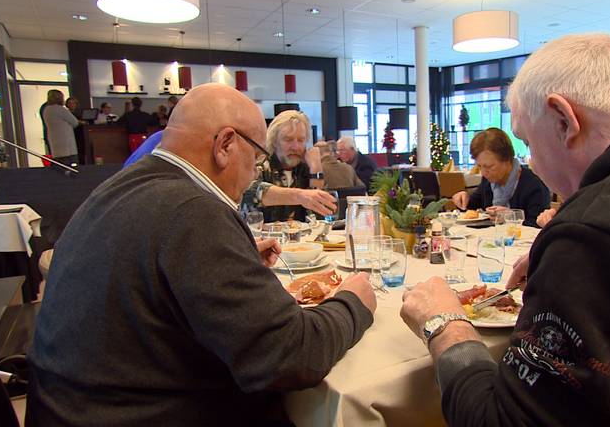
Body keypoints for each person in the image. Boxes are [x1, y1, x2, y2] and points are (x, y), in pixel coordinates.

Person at [400, 33, 610, 426]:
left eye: (528, 141)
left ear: (564, 120)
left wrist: (446, 327)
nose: (533, 162)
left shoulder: (597, 232)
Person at [27, 83, 377, 426]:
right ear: (225, 144)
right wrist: (352, 302)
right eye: (255, 159)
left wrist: (228, 258)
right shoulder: (195, 210)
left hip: (66, 404)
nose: (255, 173)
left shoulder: (126, 185)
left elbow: (144, 270)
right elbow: (292, 357)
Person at [242, 110, 336, 222]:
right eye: (288, 140)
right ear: (274, 142)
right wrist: (300, 196)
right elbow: (250, 191)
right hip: (260, 238)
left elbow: (320, 215)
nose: (295, 147)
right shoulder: (260, 164)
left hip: (302, 239)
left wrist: (316, 170)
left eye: (301, 140)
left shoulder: (304, 169)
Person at [451, 128, 550, 227]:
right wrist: (463, 199)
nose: (484, 173)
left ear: (507, 159)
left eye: (489, 166)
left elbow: (539, 226)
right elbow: (473, 206)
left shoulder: (534, 184)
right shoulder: (489, 181)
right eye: (479, 166)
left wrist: (510, 217)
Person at [42, 89, 80, 166]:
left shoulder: (46, 110)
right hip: (67, 145)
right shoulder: (60, 109)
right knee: (71, 166)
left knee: (59, 167)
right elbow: (75, 122)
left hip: (55, 144)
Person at [65, 97, 86, 163]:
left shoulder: (79, 113)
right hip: (71, 135)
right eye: (70, 103)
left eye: (73, 103)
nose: (72, 105)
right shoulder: (66, 113)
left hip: (80, 135)